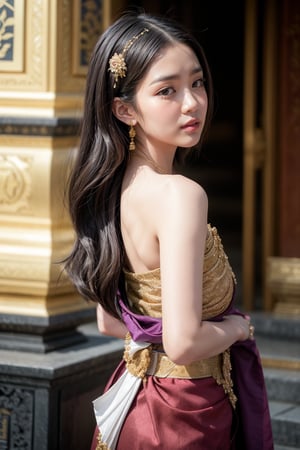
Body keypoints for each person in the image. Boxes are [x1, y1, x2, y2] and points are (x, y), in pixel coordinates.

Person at [65, 11, 274, 450]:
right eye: (167, 90)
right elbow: (183, 342)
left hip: (137, 399)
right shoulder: (180, 195)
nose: (192, 102)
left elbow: (109, 322)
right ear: (125, 109)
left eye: (196, 82)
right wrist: (238, 329)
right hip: (184, 412)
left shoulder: (109, 189)